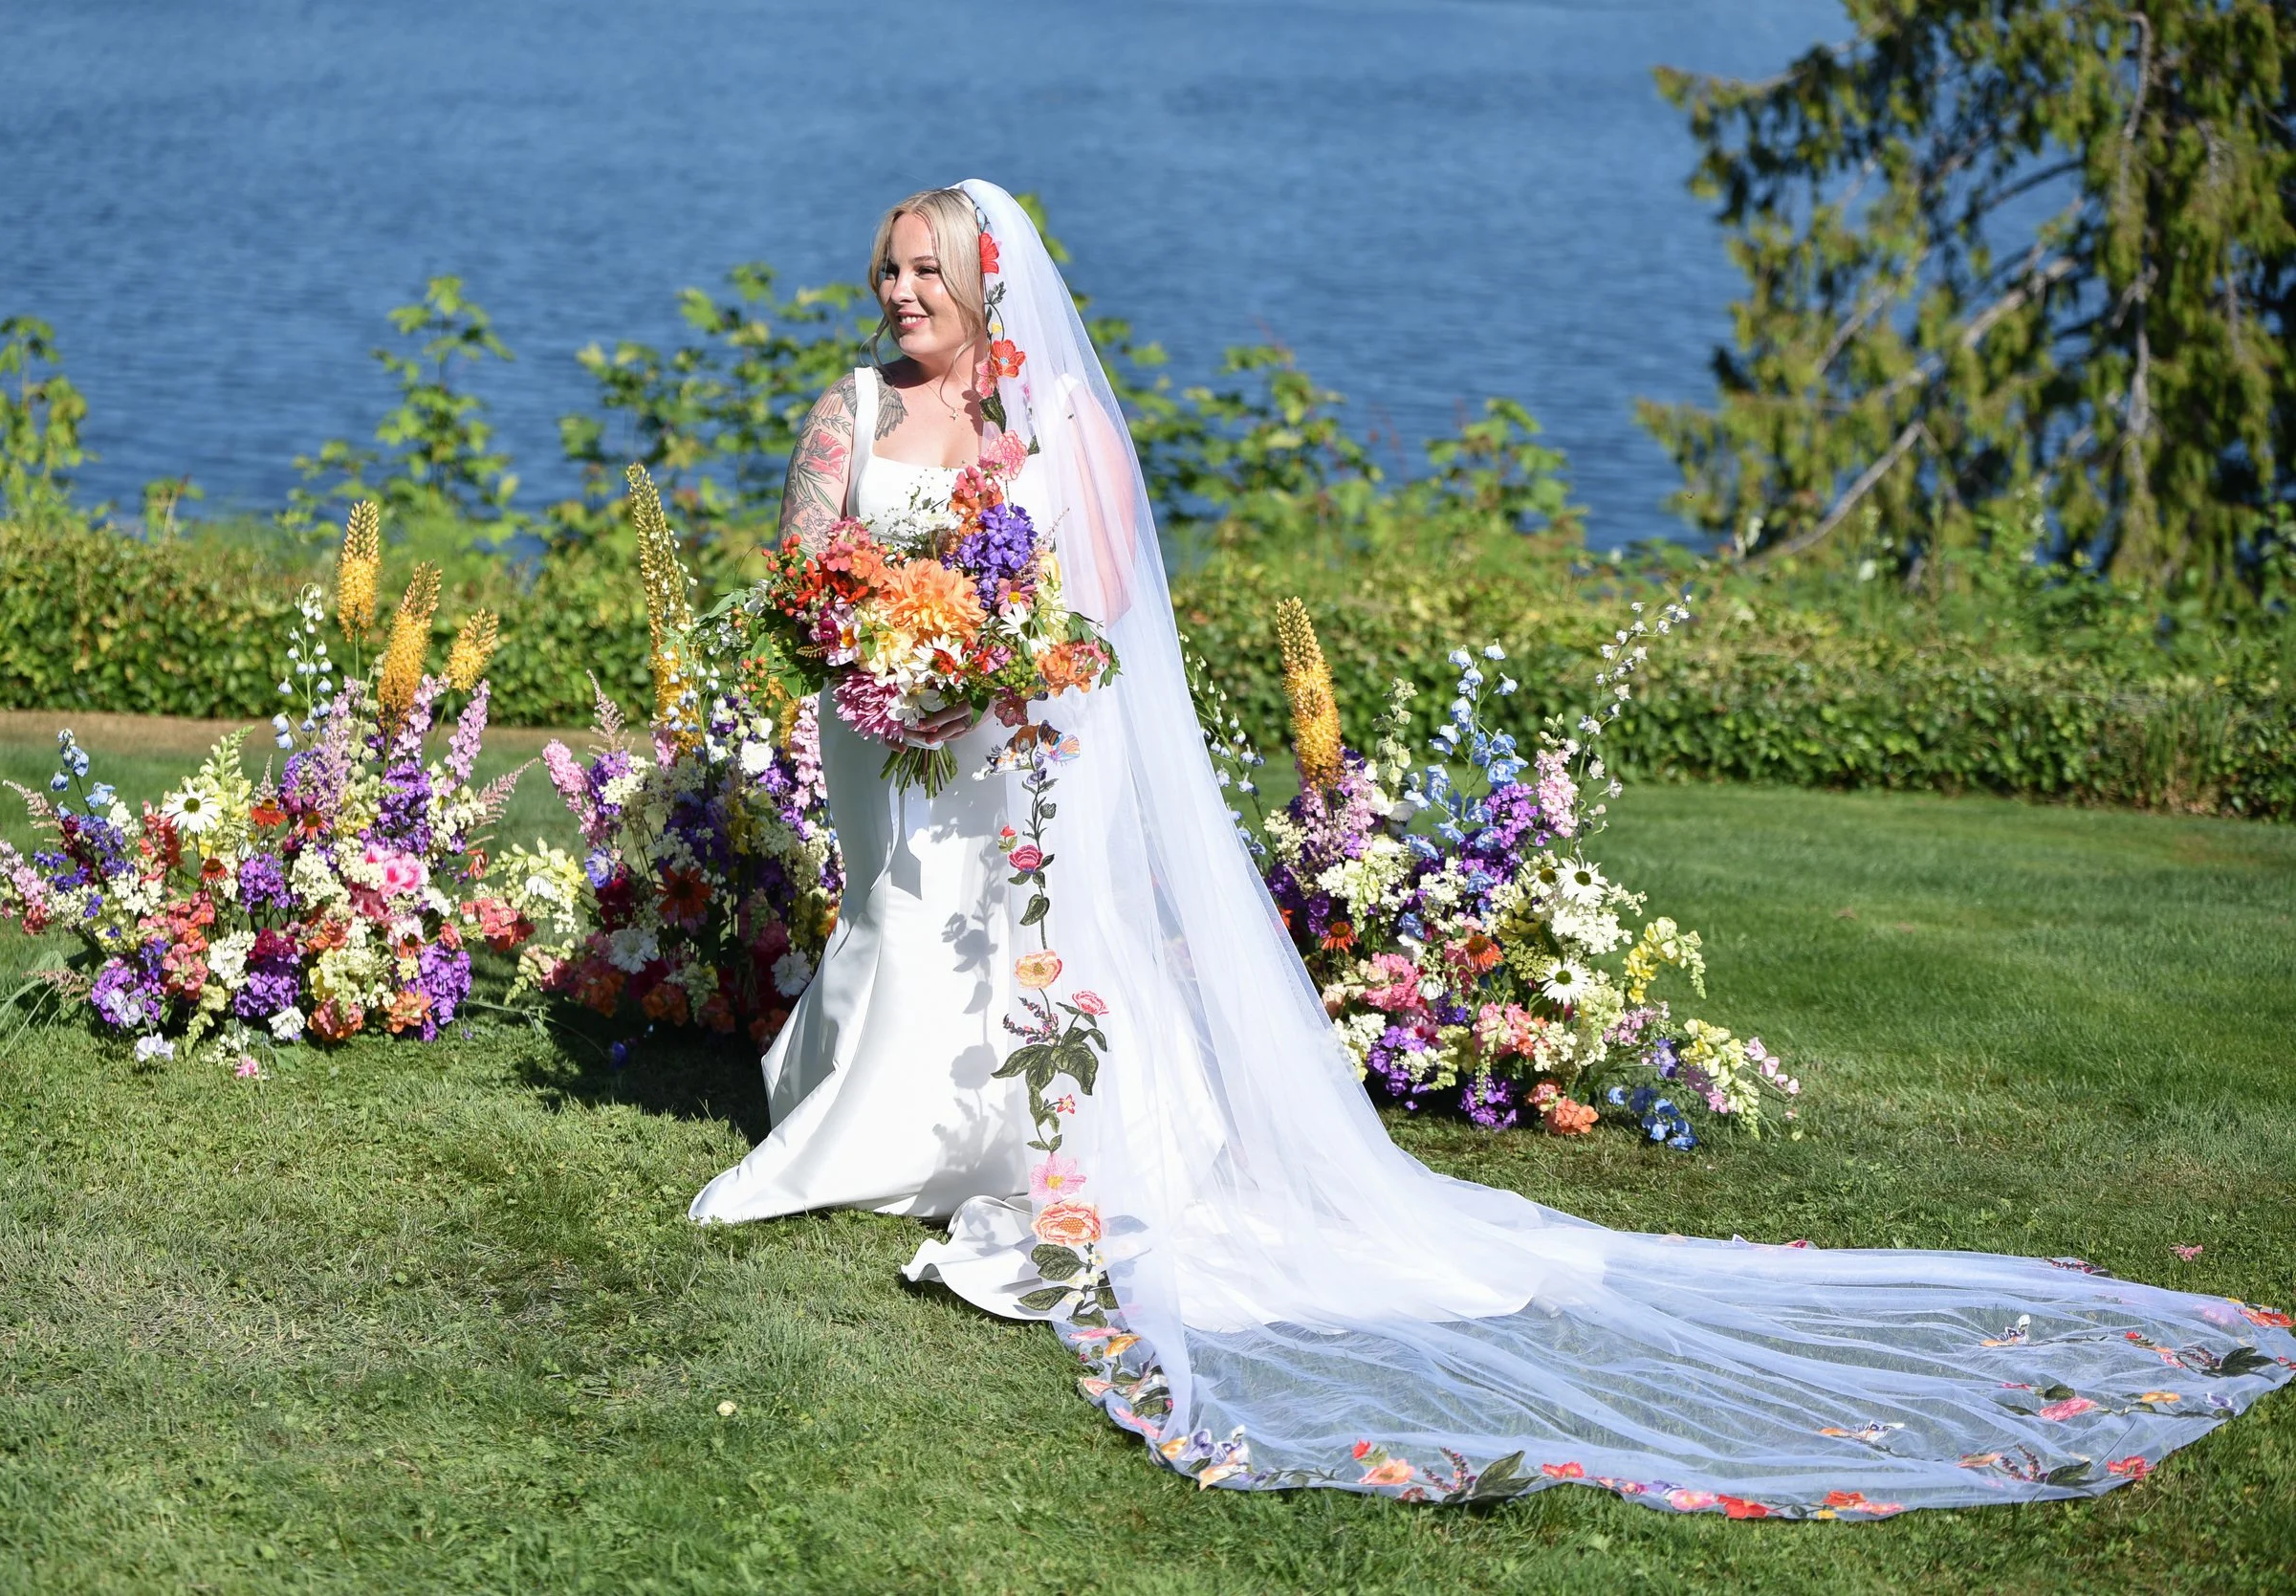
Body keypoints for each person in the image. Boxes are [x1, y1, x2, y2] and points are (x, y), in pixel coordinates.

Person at [695, 180, 2293, 1517]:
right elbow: (805, 569)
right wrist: (870, 658)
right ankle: (877, 1128)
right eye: (888, 269)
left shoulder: (1048, 426)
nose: (902, 291)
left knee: (1011, 943)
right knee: (901, 928)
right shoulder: (847, 412)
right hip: (882, 737)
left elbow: (1099, 611)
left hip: (1009, 742)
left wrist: (989, 666)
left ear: (987, 287)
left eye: (929, 270)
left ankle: (996, 1157)